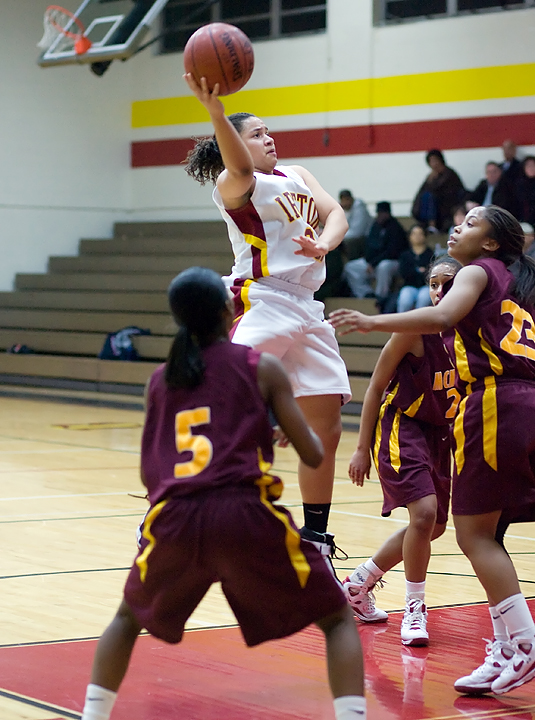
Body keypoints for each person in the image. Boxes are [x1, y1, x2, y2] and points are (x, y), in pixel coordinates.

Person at [80, 267, 366, 720]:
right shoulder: (260, 366)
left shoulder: (161, 378)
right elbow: (314, 455)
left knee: (126, 620)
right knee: (335, 618)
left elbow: (149, 472)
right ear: (228, 310)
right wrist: (284, 427)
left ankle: (92, 715)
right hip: (244, 513)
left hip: (176, 516)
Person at [329, 205, 535, 696]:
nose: (457, 227)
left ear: (491, 243)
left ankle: (523, 644)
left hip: (494, 405)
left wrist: (370, 320)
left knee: (473, 536)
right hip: (518, 405)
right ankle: (505, 645)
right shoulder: (517, 289)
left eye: (471, 223)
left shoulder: (479, 273)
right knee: (489, 532)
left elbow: (442, 316)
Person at [183, 75, 351, 562]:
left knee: (326, 426)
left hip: (308, 307)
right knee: (219, 404)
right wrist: (217, 113)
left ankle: (315, 540)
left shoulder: (296, 173)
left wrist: (324, 244)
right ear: (235, 145)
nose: (268, 138)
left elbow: (335, 213)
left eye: (267, 130)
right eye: (256, 134)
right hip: (262, 299)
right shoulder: (234, 182)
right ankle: (167, 510)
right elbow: (237, 161)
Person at [341, 256, 461, 647]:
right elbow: (375, 387)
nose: (440, 290)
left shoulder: (473, 335)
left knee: (433, 526)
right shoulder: (415, 330)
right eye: (434, 283)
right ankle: (414, 609)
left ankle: (358, 583)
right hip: (402, 426)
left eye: (448, 282)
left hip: (442, 434)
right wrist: (361, 448)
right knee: (424, 514)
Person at [343, 201, 408, 311]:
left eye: (382, 213)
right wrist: (369, 262)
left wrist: (373, 263)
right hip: (373, 262)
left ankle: (380, 297)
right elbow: (369, 246)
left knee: (384, 266)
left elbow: (392, 252)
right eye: (378, 213)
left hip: (392, 262)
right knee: (350, 267)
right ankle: (366, 293)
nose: (380, 216)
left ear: (388, 213)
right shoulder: (375, 226)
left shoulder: (395, 227)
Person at [411, 149, 465, 233]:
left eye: (435, 160)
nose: (434, 164)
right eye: (431, 161)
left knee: (430, 197)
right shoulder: (431, 176)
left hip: (447, 205)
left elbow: (444, 191)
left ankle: (432, 224)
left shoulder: (449, 174)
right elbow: (421, 192)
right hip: (435, 206)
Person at [396, 224, 435, 313]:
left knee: (424, 299)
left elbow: (431, 273)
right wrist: (419, 271)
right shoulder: (405, 255)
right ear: (410, 237)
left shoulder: (430, 254)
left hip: (425, 286)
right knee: (405, 301)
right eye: (414, 234)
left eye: (420, 234)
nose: (417, 236)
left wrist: (416, 271)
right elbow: (404, 272)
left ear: (425, 236)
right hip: (409, 286)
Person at [339, 189, 373, 261]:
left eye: (346, 200)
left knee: (348, 242)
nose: (344, 203)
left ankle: (352, 262)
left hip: (365, 238)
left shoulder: (359, 208)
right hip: (353, 236)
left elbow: (357, 232)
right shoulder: (344, 209)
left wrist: (338, 236)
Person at [517, 156, 535, 227]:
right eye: (528, 166)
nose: (531, 168)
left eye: (533, 165)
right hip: (522, 220)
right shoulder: (519, 185)